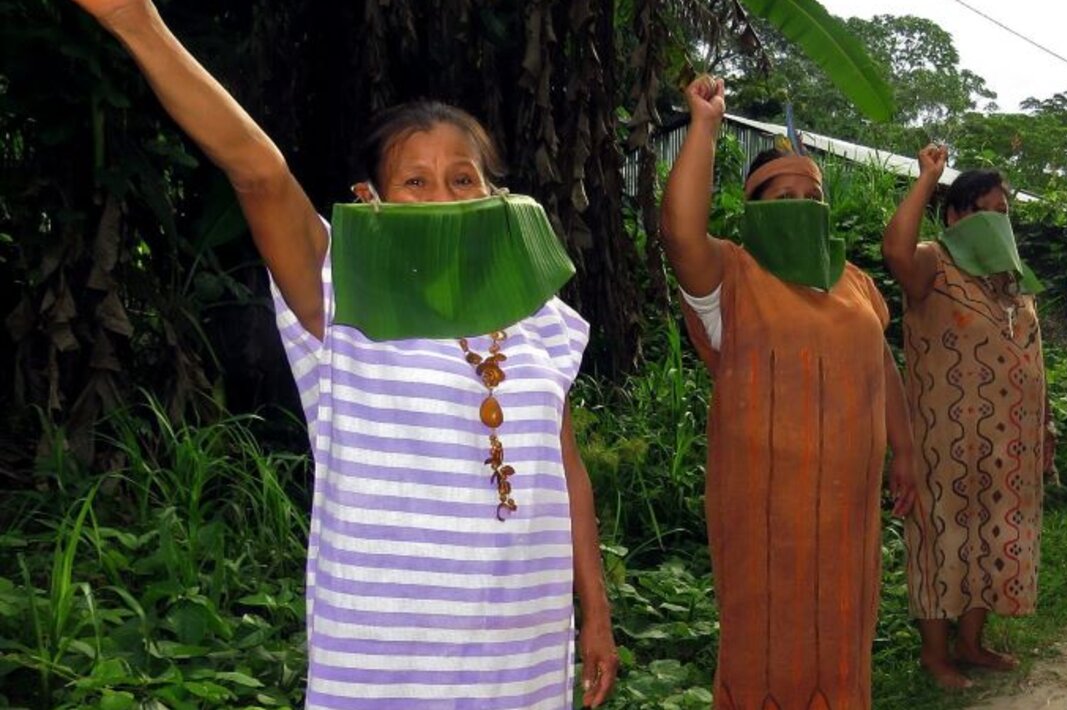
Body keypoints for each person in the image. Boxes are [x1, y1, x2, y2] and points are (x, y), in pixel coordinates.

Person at [69, 1, 619, 707]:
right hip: (384, 656)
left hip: (522, 646)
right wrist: (136, 22)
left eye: (462, 178)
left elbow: (565, 468)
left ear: (495, 196)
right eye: (414, 181)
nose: (443, 195)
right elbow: (259, 174)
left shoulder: (539, 316)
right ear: (372, 200)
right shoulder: (340, 293)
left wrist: (594, 611)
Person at [659, 75, 918, 707]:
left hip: (847, 510)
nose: (801, 204)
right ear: (753, 210)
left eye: (812, 194)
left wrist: (905, 451)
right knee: (766, 642)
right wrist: (704, 126)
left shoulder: (854, 281)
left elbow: (879, 362)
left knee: (844, 632)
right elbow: (679, 234)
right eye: (782, 195)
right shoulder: (732, 276)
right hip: (765, 515)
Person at [883, 144, 1050, 689]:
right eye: (985, 210)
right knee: (941, 540)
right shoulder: (933, 259)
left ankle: (972, 643)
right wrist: (928, 177)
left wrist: (1044, 427)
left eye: (1004, 212)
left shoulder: (1013, 282)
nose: (997, 220)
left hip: (1010, 447)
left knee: (992, 538)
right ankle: (935, 654)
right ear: (954, 216)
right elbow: (894, 252)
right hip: (942, 443)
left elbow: (1034, 360)